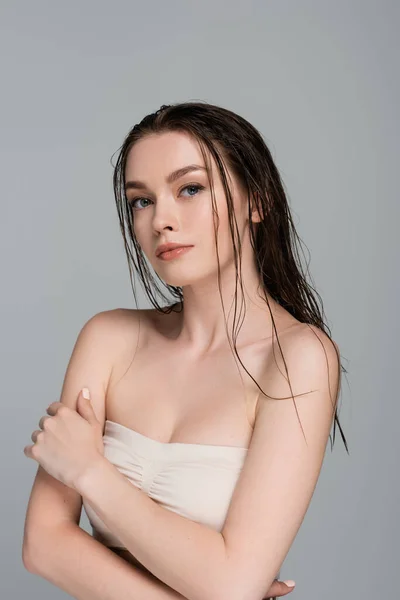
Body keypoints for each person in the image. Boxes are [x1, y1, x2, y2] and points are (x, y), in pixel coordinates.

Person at [22, 101, 348, 600]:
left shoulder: (299, 359)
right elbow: (43, 546)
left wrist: (91, 472)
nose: (161, 221)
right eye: (141, 201)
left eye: (190, 188)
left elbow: (232, 585)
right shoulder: (107, 339)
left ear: (256, 200)